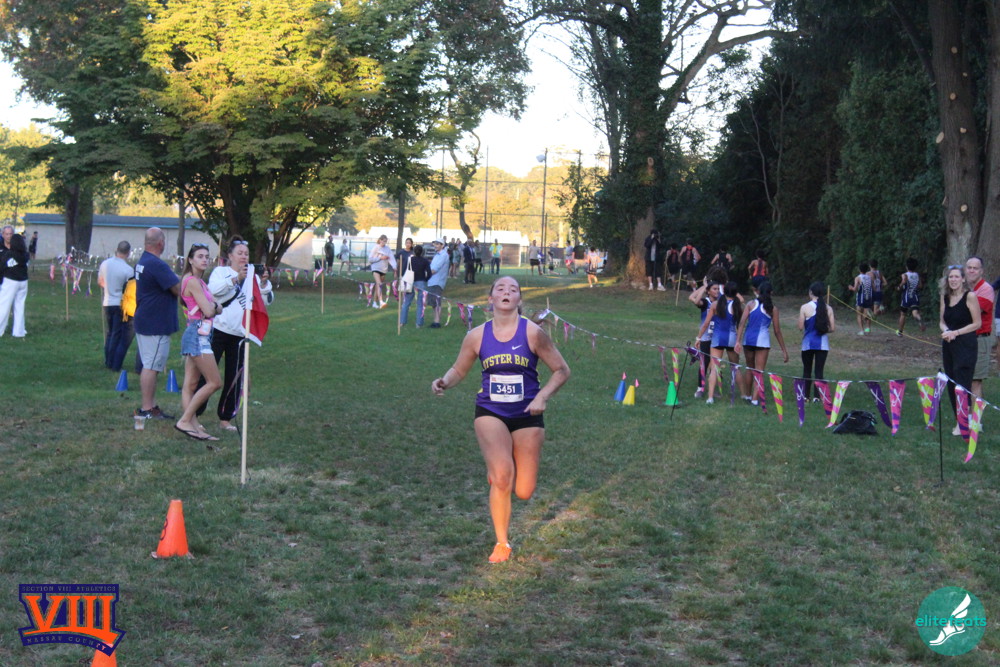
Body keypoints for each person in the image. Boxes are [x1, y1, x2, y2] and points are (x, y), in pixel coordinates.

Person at [431, 276, 570, 563]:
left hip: (527, 414)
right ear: (491, 298)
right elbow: (459, 369)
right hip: (490, 411)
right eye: (500, 289)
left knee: (524, 491)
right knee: (503, 476)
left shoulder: (533, 333)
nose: (507, 292)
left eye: (513, 289)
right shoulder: (476, 336)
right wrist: (444, 381)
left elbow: (561, 370)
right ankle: (502, 542)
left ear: (519, 299)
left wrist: (542, 397)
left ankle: (500, 470)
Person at [204, 235, 274, 431]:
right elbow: (213, 291)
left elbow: (265, 303)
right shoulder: (220, 272)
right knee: (207, 375)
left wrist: (263, 284)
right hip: (218, 330)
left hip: (240, 334)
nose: (244, 256)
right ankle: (195, 413)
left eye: (246, 254)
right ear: (230, 256)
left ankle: (225, 418)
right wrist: (236, 279)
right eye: (240, 253)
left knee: (234, 378)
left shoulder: (253, 276)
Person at [175, 244, 223, 441]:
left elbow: (215, 307)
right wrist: (214, 306)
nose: (204, 260)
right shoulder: (192, 281)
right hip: (197, 335)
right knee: (215, 382)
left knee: (191, 383)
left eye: (207, 256)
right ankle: (185, 420)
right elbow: (211, 310)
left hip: (201, 332)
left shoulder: (201, 283)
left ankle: (194, 427)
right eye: (200, 256)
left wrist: (213, 306)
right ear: (190, 260)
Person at [133, 227, 181, 421]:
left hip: (146, 319)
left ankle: (151, 406)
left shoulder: (143, 261)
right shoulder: (156, 264)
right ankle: (147, 408)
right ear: (160, 243)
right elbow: (177, 288)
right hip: (156, 323)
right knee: (151, 366)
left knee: (150, 364)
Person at [940, 265, 981, 436]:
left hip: (966, 344)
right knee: (951, 381)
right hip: (949, 345)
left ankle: (965, 421)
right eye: (951, 277)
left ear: (963, 279)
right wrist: (946, 331)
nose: (953, 280)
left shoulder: (970, 296)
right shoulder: (945, 297)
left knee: (962, 381)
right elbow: (942, 321)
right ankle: (960, 420)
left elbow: (977, 323)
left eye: (957, 276)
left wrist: (955, 332)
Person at [735, 280, 789, 405]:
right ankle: (755, 400)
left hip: (748, 340)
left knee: (749, 368)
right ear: (771, 293)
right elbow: (777, 331)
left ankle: (748, 395)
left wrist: (738, 341)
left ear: (758, 291)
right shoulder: (773, 309)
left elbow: (742, 323)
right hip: (762, 342)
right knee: (759, 371)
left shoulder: (750, 304)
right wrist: (784, 350)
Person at [696, 281, 743, 404]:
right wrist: (738, 341)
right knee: (735, 367)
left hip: (717, 339)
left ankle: (710, 397)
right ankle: (745, 395)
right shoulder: (737, 305)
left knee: (714, 368)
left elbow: (706, 323)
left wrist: (698, 338)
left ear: (723, 291)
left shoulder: (715, 304)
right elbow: (740, 325)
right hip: (732, 339)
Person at [98, 241, 135, 371]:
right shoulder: (128, 270)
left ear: (117, 250)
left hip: (107, 302)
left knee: (110, 333)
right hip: (120, 304)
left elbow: (100, 282)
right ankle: (113, 363)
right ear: (128, 253)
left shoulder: (105, 264)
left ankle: (108, 360)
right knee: (118, 335)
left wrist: (109, 288)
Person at [798, 281, 836, 401]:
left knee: (807, 370)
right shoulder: (828, 308)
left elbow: (800, 327)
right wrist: (822, 328)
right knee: (819, 372)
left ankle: (806, 396)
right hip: (822, 345)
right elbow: (832, 328)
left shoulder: (804, 307)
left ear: (810, 292)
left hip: (807, 344)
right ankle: (817, 397)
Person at [689, 274, 722, 398]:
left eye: (718, 289)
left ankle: (713, 389)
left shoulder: (720, 302)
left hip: (717, 337)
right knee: (704, 362)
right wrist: (704, 286)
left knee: (715, 364)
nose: (717, 291)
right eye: (714, 289)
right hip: (705, 337)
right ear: (709, 291)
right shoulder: (705, 302)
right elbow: (695, 300)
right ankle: (700, 388)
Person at [965, 256, 994, 398]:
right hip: (965, 338)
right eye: (969, 268)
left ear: (981, 271)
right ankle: (967, 412)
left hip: (980, 340)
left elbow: (972, 313)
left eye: (975, 268)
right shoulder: (965, 288)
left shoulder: (986, 289)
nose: (971, 271)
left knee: (975, 381)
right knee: (965, 379)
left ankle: (975, 413)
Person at [0, 230, 29, 338]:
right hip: (23, 281)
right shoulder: (25, 255)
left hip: (10, 281)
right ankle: (19, 331)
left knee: (4, 305)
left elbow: (2, 267)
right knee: (19, 306)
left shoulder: (9, 254)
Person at [400, 244, 431, 327]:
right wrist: (426, 279)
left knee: (406, 302)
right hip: (421, 281)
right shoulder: (425, 261)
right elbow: (429, 273)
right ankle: (419, 323)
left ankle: (402, 322)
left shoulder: (410, 259)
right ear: (422, 252)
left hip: (410, 281)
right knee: (420, 303)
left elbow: (403, 271)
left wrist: (404, 279)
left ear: (413, 251)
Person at [896, 257, 926, 336]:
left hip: (906, 297)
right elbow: (920, 286)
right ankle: (919, 319)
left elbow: (904, 281)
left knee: (903, 314)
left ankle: (900, 332)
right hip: (915, 296)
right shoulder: (917, 275)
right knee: (915, 313)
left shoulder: (904, 275)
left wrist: (899, 287)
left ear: (906, 266)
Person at [368, 234, 395, 309]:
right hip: (375, 268)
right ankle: (381, 301)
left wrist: (394, 267)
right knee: (379, 284)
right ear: (380, 240)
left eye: (385, 241)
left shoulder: (387, 249)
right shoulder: (376, 247)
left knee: (378, 286)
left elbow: (392, 259)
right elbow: (370, 259)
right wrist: (380, 258)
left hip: (383, 270)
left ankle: (374, 303)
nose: (384, 243)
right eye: (383, 241)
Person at [427, 238, 449, 328]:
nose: (435, 246)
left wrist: (425, 274)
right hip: (432, 281)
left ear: (442, 245)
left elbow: (436, 269)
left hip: (438, 281)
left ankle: (437, 322)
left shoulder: (444, 255)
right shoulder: (436, 255)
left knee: (437, 302)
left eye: (437, 244)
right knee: (433, 302)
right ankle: (435, 320)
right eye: (435, 244)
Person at [847, 262, 873, 335]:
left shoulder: (858, 278)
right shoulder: (869, 277)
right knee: (867, 314)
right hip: (868, 297)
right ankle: (868, 328)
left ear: (859, 269)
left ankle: (862, 331)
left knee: (859, 314)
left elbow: (855, 289)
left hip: (861, 297)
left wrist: (851, 288)